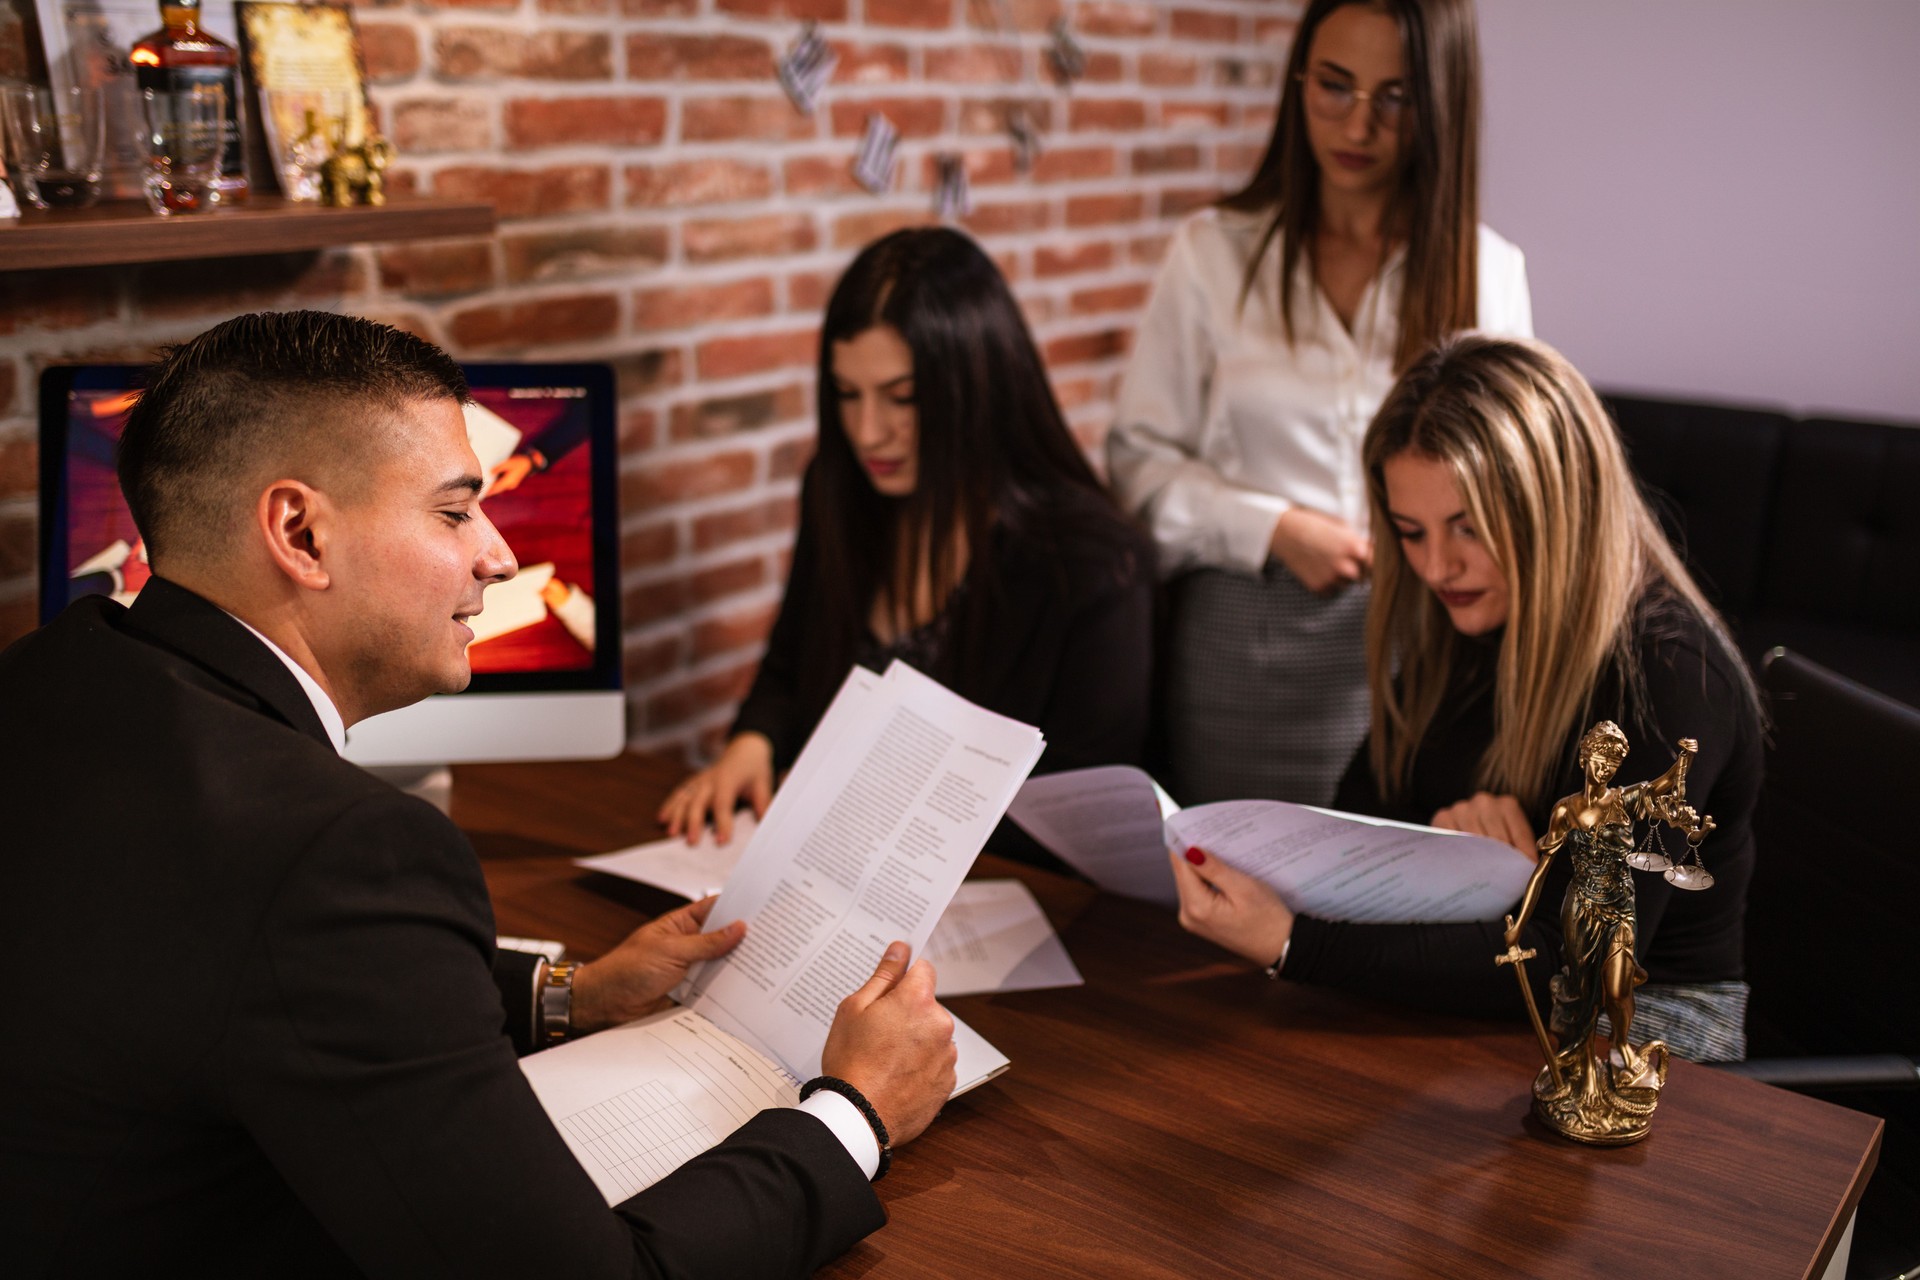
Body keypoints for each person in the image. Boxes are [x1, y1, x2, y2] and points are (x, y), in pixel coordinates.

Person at [0, 311, 957, 1276]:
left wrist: (563, 997)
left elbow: (201, 950)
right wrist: (854, 1114)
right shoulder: (343, 856)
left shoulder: (49, 674)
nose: (497, 556)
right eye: (456, 512)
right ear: (300, 531)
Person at [1168, 335, 1762, 1063]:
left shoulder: (1672, 675)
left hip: (1646, 1039)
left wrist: (1295, 942)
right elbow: (1365, 815)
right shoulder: (1463, 618)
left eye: (1469, 529)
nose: (1436, 566)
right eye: (1410, 533)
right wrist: (1461, 870)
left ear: (1557, 506)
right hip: (1488, 991)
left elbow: (1576, 966)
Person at [1108, 0, 1532, 807]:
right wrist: (1269, 526)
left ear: (1440, 103)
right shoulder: (1212, 255)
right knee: (1228, 891)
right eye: (1334, 87)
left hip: (1428, 651)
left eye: (1395, 98)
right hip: (1245, 644)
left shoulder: (1487, 271)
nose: (1359, 125)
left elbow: (1519, 495)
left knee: (1382, 910)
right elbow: (1136, 467)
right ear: (1298, 80)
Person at [660, 228, 1154, 858]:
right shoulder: (842, 488)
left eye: (903, 397)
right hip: (821, 866)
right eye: (847, 394)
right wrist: (751, 742)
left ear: (977, 388)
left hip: (992, 897)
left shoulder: (1093, 563)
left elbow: (1081, 816)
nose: (869, 433)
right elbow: (791, 664)